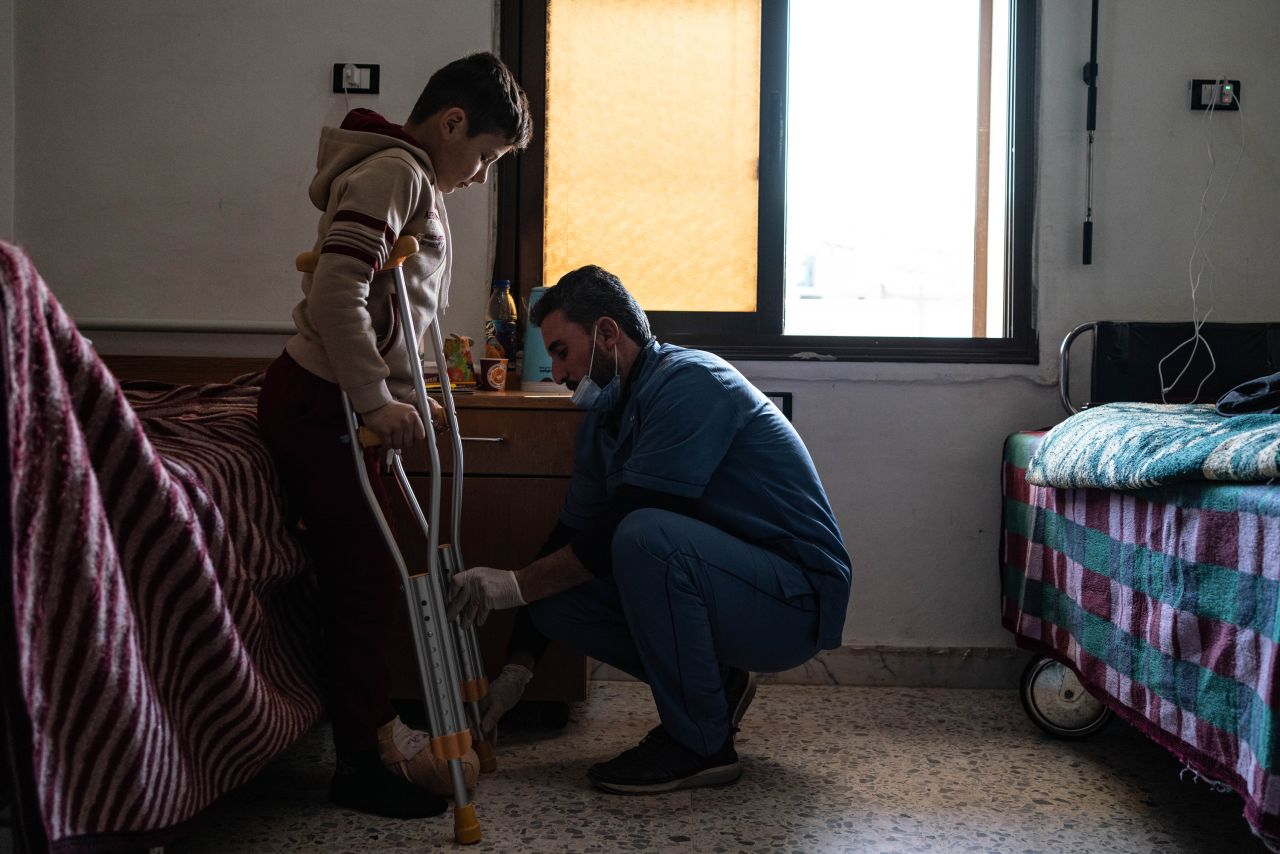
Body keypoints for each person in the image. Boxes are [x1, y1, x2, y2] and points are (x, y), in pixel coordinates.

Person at [448, 265, 852, 794]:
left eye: (562, 351)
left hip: (792, 600)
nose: (558, 373)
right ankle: (715, 690)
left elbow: (630, 520)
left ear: (607, 334)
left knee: (642, 537)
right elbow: (569, 540)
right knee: (552, 604)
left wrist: (513, 585)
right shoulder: (603, 423)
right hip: (727, 587)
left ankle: (701, 746)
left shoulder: (692, 383)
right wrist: (517, 669)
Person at [256, 52, 530, 819]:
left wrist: (410, 393)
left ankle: (373, 730)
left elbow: (391, 302)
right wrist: (377, 400)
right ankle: (361, 762)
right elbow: (339, 289)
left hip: (336, 398)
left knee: (371, 573)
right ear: (452, 123)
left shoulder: (409, 178)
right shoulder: (395, 175)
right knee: (370, 578)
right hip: (323, 399)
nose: (479, 177)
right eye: (484, 156)